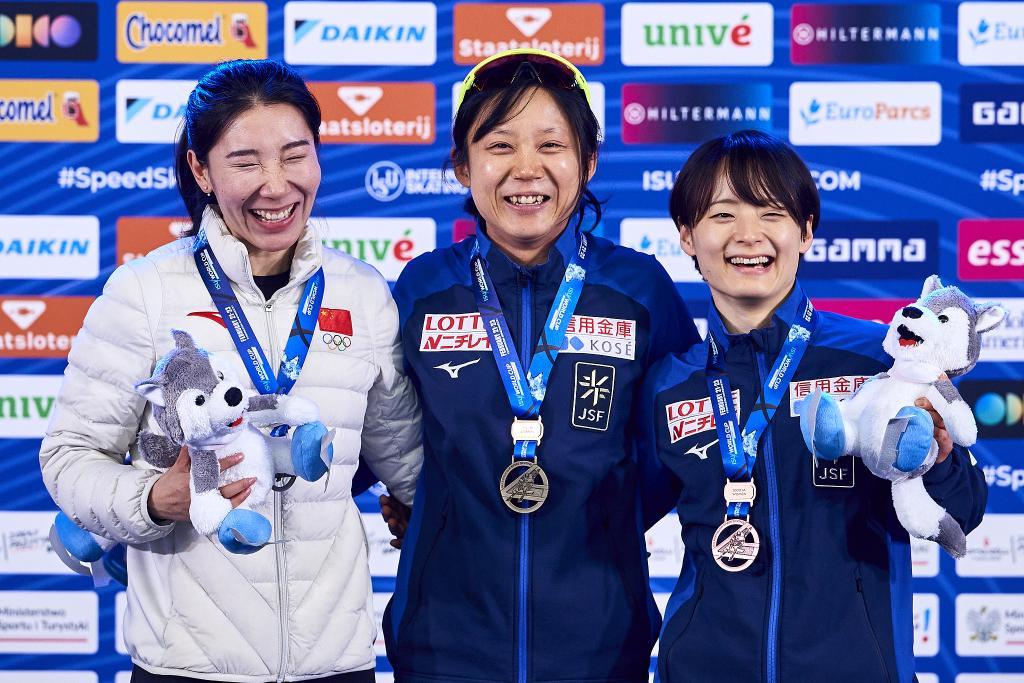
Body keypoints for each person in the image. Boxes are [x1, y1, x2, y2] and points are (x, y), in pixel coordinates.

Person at [39, 59, 423, 682]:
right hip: (188, 665)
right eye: (246, 162)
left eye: (295, 155)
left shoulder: (362, 294)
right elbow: (69, 456)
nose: (276, 185)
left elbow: (409, 463)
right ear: (201, 170)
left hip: (334, 663)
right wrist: (153, 500)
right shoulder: (145, 291)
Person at [380, 48, 701, 683]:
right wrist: (437, 509)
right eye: (499, 145)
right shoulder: (422, 288)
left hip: (600, 649)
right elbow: (380, 432)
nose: (526, 168)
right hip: (444, 649)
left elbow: (679, 448)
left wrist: (599, 517)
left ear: (588, 161)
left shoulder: (638, 288)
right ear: (462, 165)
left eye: (551, 144)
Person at [639, 129, 987, 682]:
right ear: (686, 235)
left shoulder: (881, 358)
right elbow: (617, 519)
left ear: (804, 232)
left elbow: (965, 509)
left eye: (771, 213)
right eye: (723, 215)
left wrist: (939, 461)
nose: (748, 235)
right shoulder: (669, 383)